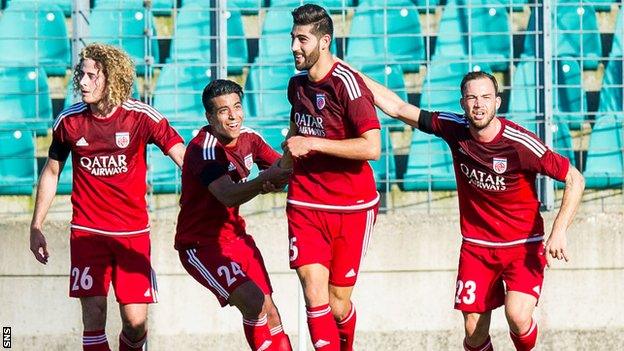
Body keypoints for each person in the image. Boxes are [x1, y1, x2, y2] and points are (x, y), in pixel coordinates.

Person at [357, 69, 585, 350]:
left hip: (522, 245)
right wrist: (351, 73)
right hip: (477, 247)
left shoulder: (520, 143)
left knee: (517, 315)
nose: (479, 104)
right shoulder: (454, 129)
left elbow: (575, 178)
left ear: (497, 102)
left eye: (486, 97)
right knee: (473, 331)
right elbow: (399, 108)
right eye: (472, 98)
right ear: (463, 103)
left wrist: (559, 230)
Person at [28, 43, 186, 351]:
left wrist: (211, 188)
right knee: (94, 315)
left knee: (136, 323)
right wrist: (36, 226)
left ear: (111, 79)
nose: (83, 83)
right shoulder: (69, 122)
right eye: (81, 75)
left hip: (133, 233)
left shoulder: (141, 117)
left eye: (91, 76)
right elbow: (51, 172)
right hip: (89, 233)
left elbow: (183, 156)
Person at [281, 4, 381, 351]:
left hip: (352, 206)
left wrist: (313, 143)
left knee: (337, 305)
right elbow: (297, 132)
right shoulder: (296, 86)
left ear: (324, 42)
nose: (295, 46)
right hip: (305, 201)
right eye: (293, 38)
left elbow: (372, 148)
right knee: (313, 290)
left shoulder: (348, 87)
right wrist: (279, 169)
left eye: (302, 39)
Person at [174, 79, 293, 351]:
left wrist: (290, 157)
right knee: (253, 302)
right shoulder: (203, 149)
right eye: (223, 110)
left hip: (236, 238)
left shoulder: (250, 138)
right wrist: (264, 182)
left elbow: (281, 170)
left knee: (270, 309)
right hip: (201, 245)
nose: (233, 116)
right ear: (209, 116)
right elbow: (227, 195)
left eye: (237, 107)